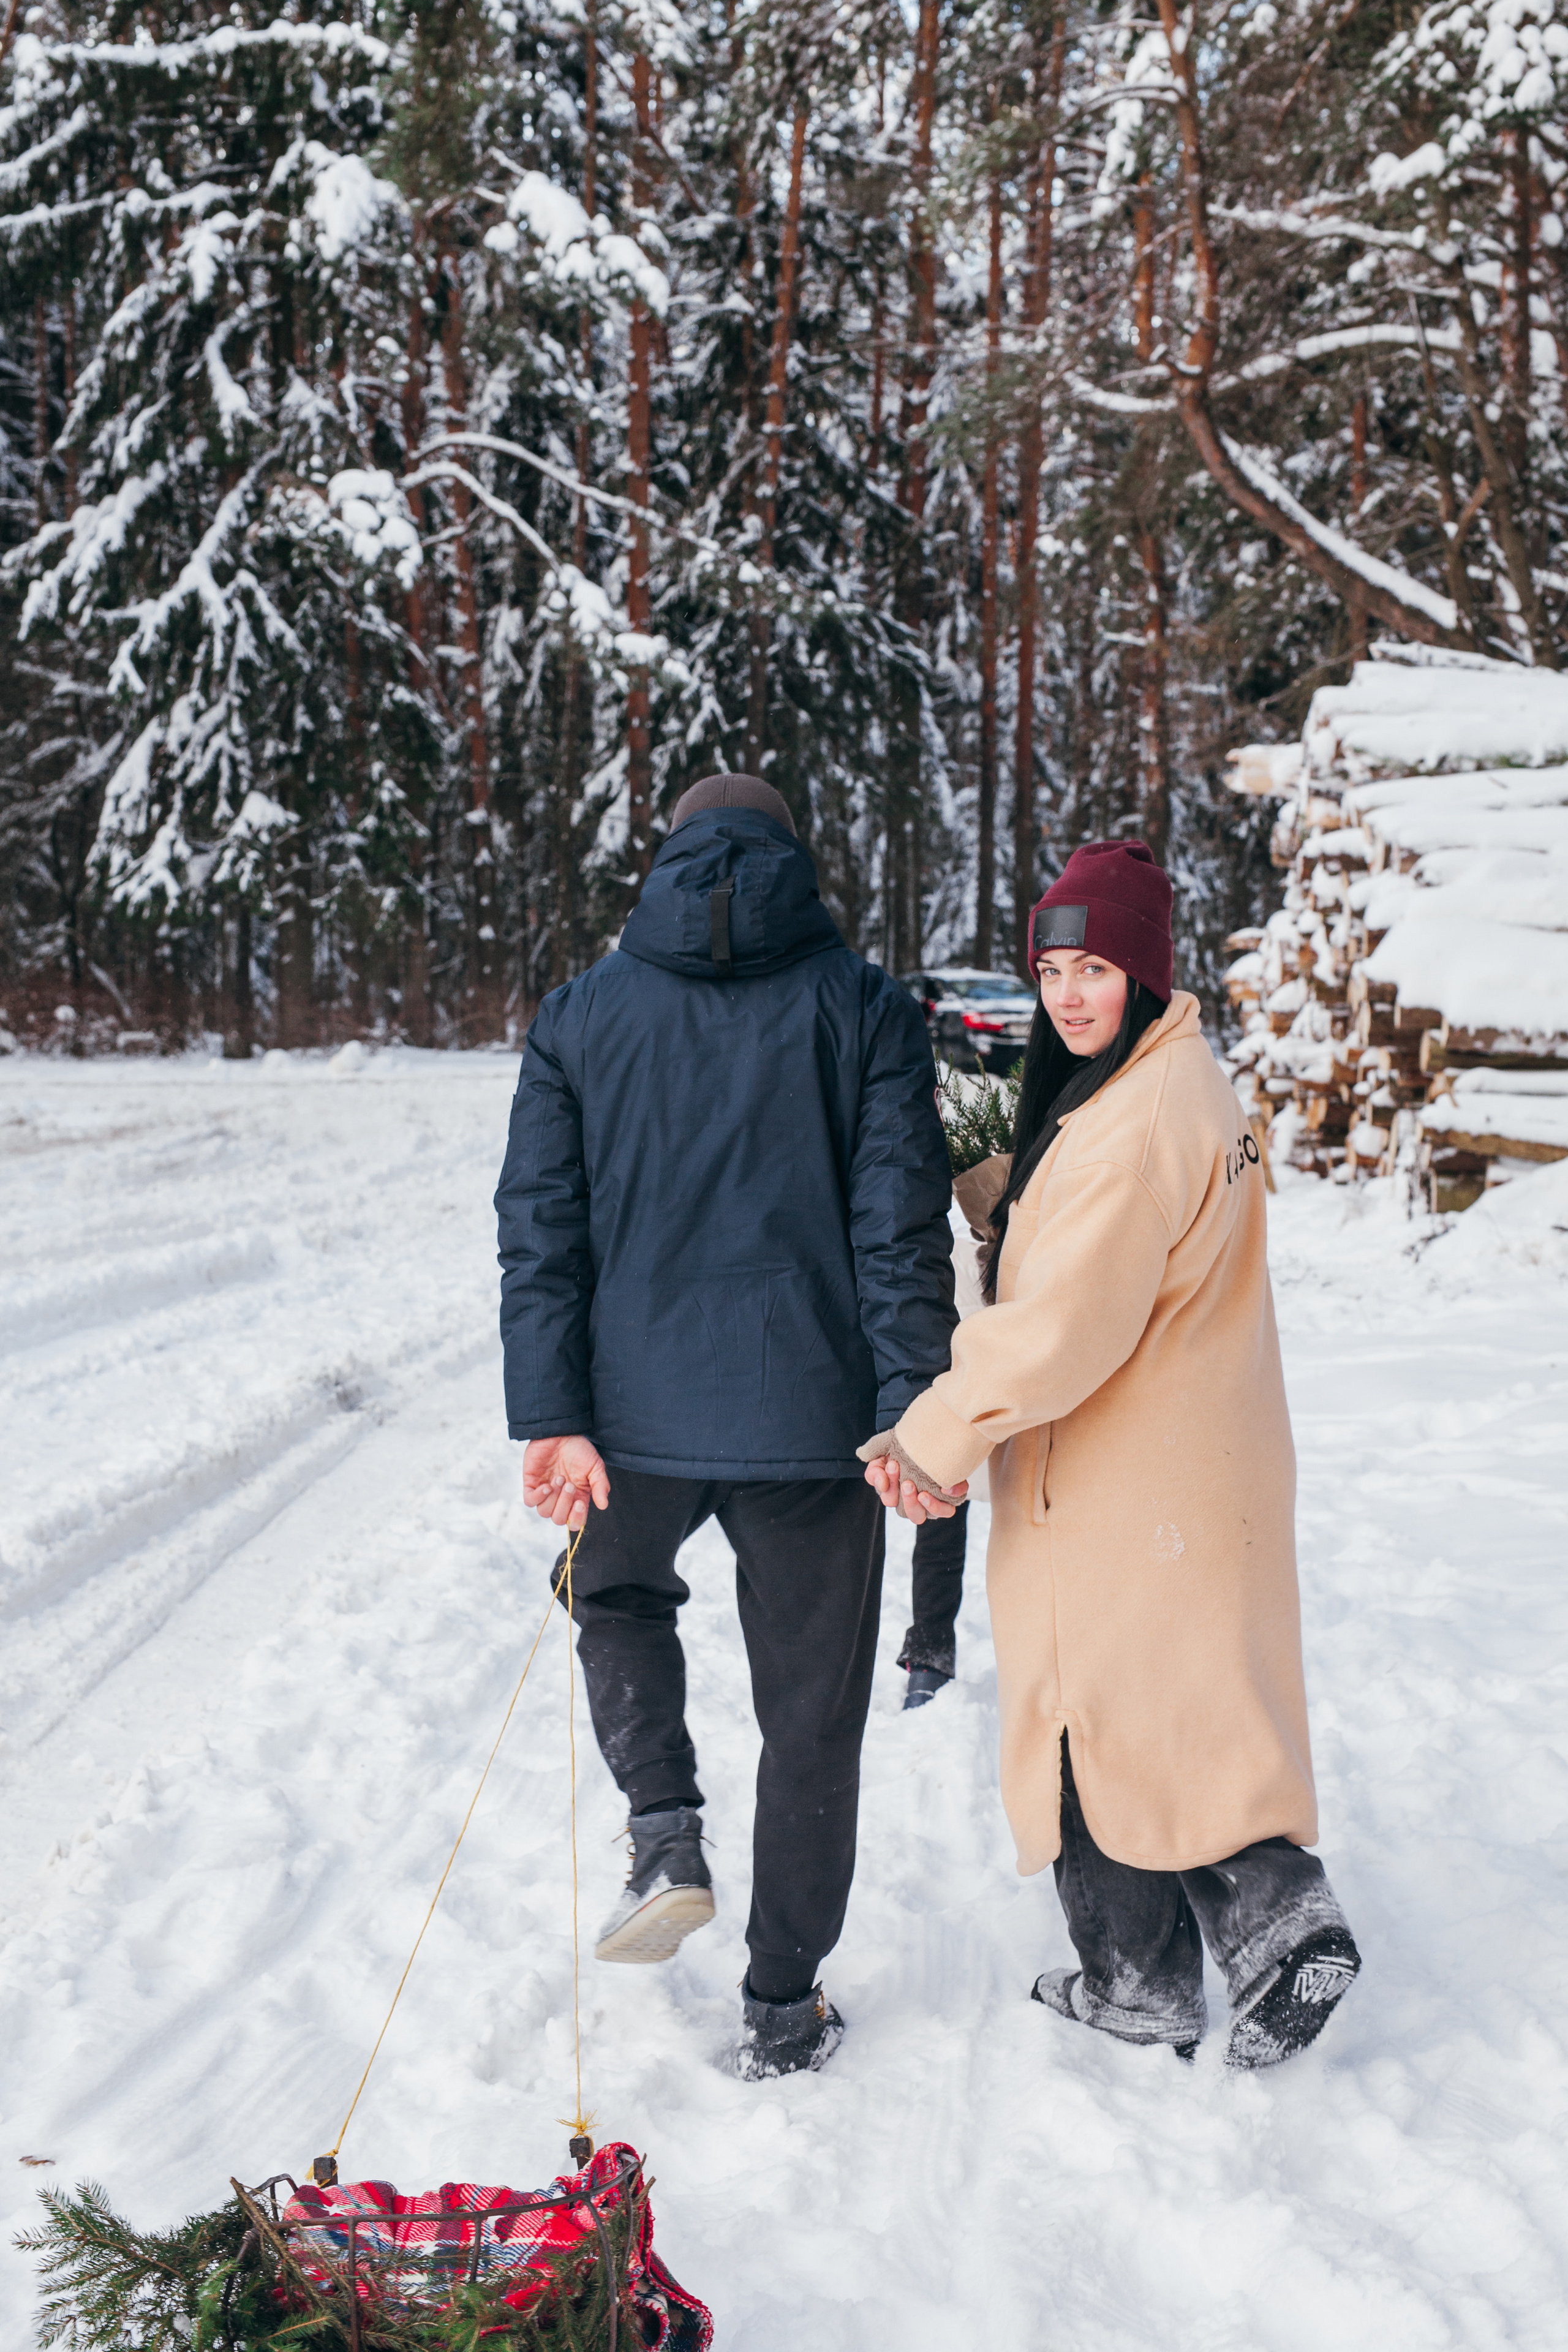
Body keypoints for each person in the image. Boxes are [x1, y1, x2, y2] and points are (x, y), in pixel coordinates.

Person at [861, 839, 1360, 2069]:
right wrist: (1011, 1205)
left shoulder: (1137, 1117)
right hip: (1186, 1455)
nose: (1069, 995)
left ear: (1141, 969)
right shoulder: (1166, 1079)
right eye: (1049, 971)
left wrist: (930, 1439)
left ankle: (1203, 1951)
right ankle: (1230, 1937)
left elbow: (1058, 1332)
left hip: (1125, 1473)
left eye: (1093, 966)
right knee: (1172, 1703)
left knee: (1091, 1714)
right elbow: (1102, 1259)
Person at [495, 772, 957, 2079]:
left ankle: (663, 1824)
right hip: (816, 1425)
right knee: (812, 1713)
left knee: (618, 1597)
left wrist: (555, 1413)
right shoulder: (864, 1007)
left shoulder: (580, 1015)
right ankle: (780, 2004)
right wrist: (907, 1412)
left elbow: (541, 1230)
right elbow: (897, 1230)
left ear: (669, 859)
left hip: (630, 1420)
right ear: (789, 864)